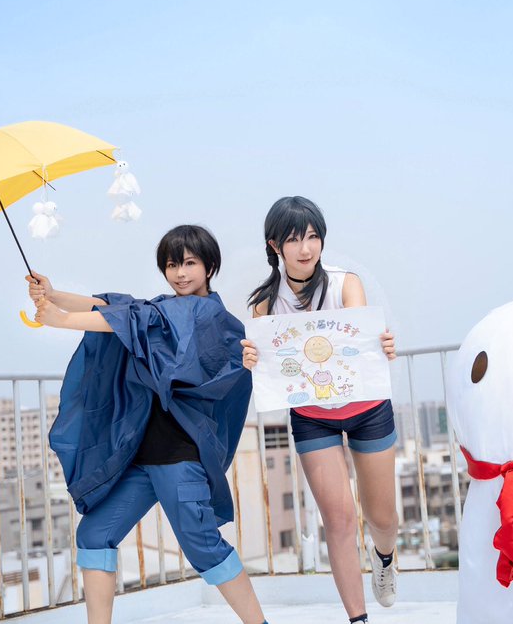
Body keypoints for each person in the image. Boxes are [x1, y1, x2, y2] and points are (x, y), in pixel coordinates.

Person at [33, 224, 268, 624]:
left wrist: (62, 319)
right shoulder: (165, 310)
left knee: (203, 546)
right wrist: (54, 294)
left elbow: (136, 320)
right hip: (142, 457)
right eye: (172, 265)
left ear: (210, 266)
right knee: (94, 534)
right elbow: (115, 307)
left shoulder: (207, 314)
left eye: (189, 263)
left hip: (179, 456)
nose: (180, 273)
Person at [242, 197, 398, 624]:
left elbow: (362, 343)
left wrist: (382, 345)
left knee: (383, 518)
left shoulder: (346, 283)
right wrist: (252, 359)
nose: (306, 248)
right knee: (339, 518)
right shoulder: (264, 303)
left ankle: (384, 557)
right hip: (313, 417)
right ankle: (358, 619)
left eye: (313, 237)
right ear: (275, 245)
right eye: (294, 239)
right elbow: (268, 364)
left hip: (368, 408)